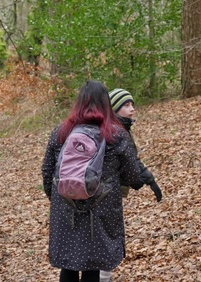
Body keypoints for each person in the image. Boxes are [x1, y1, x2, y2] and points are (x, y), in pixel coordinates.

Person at [41, 81, 141, 282]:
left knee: (68, 265)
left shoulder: (60, 132)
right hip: (100, 208)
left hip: (65, 207)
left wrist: (60, 198)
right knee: (93, 265)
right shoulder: (116, 134)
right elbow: (133, 175)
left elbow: (47, 171)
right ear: (106, 103)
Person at [99, 88, 163, 282]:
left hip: (108, 192)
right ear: (114, 108)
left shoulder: (122, 128)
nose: (132, 109)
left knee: (107, 236)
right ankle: (103, 277)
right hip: (104, 194)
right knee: (106, 237)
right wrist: (136, 179)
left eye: (132, 104)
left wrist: (148, 178)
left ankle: (103, 276)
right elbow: (124, 163)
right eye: (126, 105)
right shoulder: (113, 131)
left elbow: (131, 159)